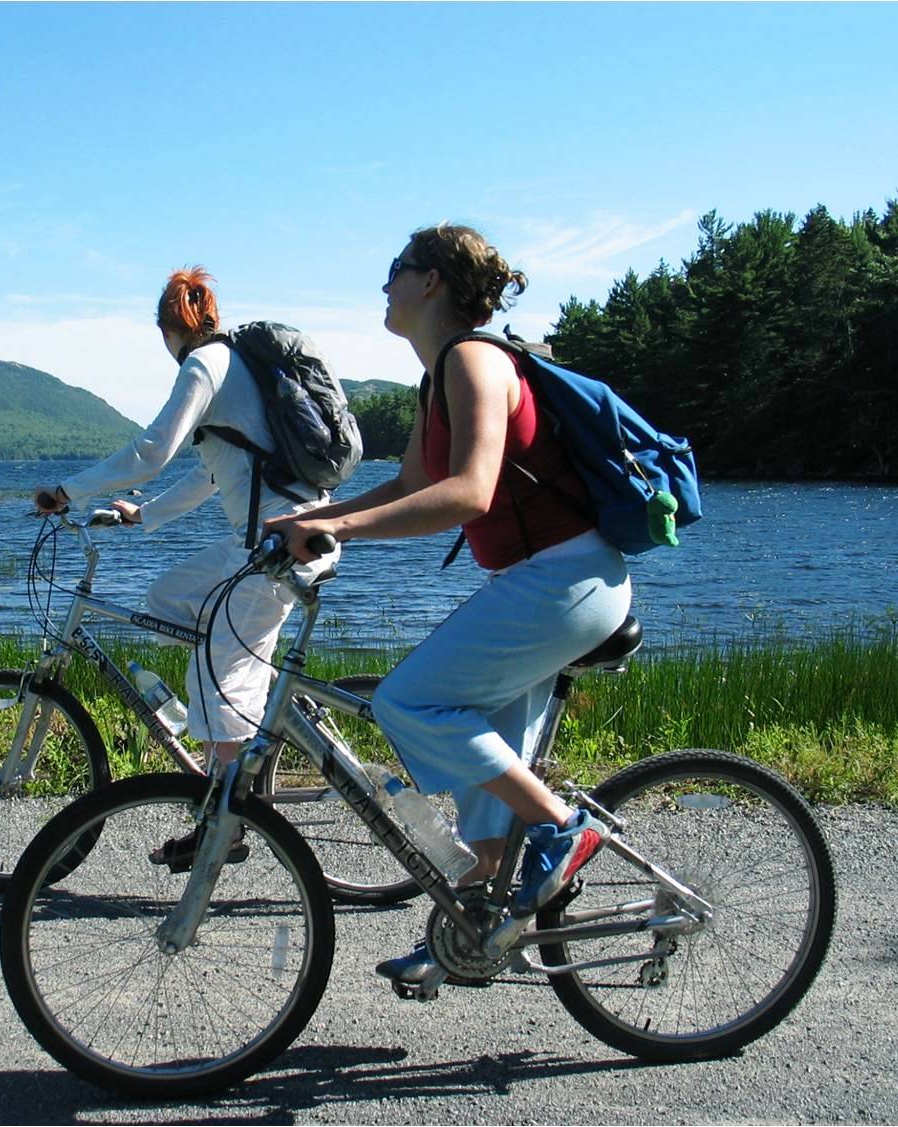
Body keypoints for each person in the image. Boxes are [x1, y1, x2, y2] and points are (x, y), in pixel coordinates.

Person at [266, 223, 632, 985]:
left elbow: (469, 491)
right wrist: (316, 515)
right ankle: (470, 931)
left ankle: (563, 831)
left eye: (396, 269)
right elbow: (406, 488)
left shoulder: (473, 358)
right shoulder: (437, 377)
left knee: (407, 702)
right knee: (480, 776)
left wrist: (335, 526)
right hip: (541, 584)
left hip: (567, 580)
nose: (385, 283)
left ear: (431, 281)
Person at [33, 266, 339, 868]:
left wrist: (68, 490)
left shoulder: (204, 365)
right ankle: (254, 714)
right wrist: (141, 517)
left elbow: (152, 451)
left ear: (169, 329)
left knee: (221, 675)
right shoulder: (237, 368)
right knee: (169, 599)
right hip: (258, 541)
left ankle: (223, 823)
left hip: (274, 546)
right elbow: (207, 473)